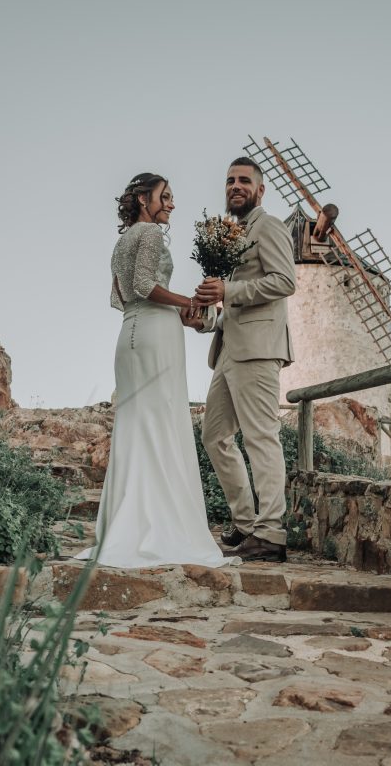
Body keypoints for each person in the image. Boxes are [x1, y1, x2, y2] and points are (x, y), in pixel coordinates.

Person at [76, 173, 237, 568]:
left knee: (136, 426)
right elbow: (146, 284)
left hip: (129, 333)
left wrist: (173, 307)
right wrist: (189, 302)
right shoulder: (149, 235)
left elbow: (122, 294)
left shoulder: (120, 242)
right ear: (143, 199)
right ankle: (161, 526)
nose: (171, 203)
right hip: (155, 333)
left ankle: (125, 526)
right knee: (163, 423)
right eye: (165, 196)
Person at [185, 157, 297, 562]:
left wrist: (228, 290)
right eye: (230, 180)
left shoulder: (270, 227)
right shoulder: (230, 234)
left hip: (259, 347)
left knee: (260, 436)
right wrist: (203, 317)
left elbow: (286, 281)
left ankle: (271, 534)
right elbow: (226, 297)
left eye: (244, 180)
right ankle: (247, 522)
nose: (235, 185)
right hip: (228, 348)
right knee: (214, 436)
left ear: (260, 189)